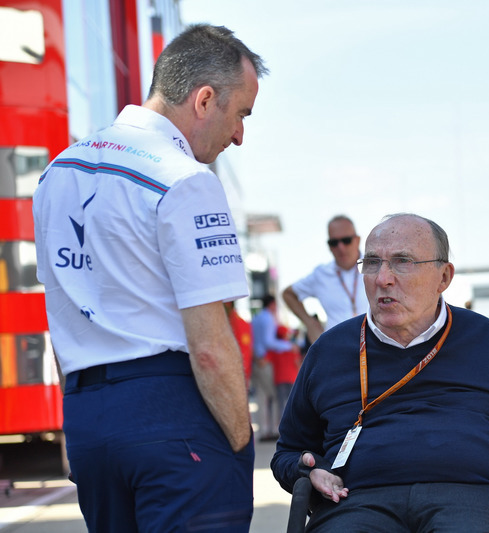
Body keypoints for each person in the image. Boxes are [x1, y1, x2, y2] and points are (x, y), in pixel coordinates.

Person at [32, 25, 267, 532]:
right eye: (241, 114)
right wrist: (241, 441)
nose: (240, 135)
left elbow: (61, 312)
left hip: (88, 418)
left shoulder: (57, 173)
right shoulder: (185, 179)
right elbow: (209, 344)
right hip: (172, 412)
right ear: (204, 99)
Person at [272, 213, 489, 533]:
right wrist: (308, 469)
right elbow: (287, 452)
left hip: (474, 501)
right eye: (372, 263)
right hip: (355, 503)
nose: (382, 278)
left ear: (444, 277)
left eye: (402, 262)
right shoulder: (329, 352)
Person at [282, 215, 368, 343]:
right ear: (328, 245)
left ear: (358, 240)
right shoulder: (321, 274)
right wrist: (310, 323)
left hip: (374, 349)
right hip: (337, 350)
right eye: (333, 243)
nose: (340, 247)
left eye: (346, 240)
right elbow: (288, 294)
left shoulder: (375, 267)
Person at [252, 294, 298, 441]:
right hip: (266, 360)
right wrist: (288, 346)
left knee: (262, 397)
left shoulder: (256, 318)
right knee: (271, 397)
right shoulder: (268, 318)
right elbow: (268, 341)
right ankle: (269, 430)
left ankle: (264, 430)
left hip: (257, 360)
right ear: (272, 304)